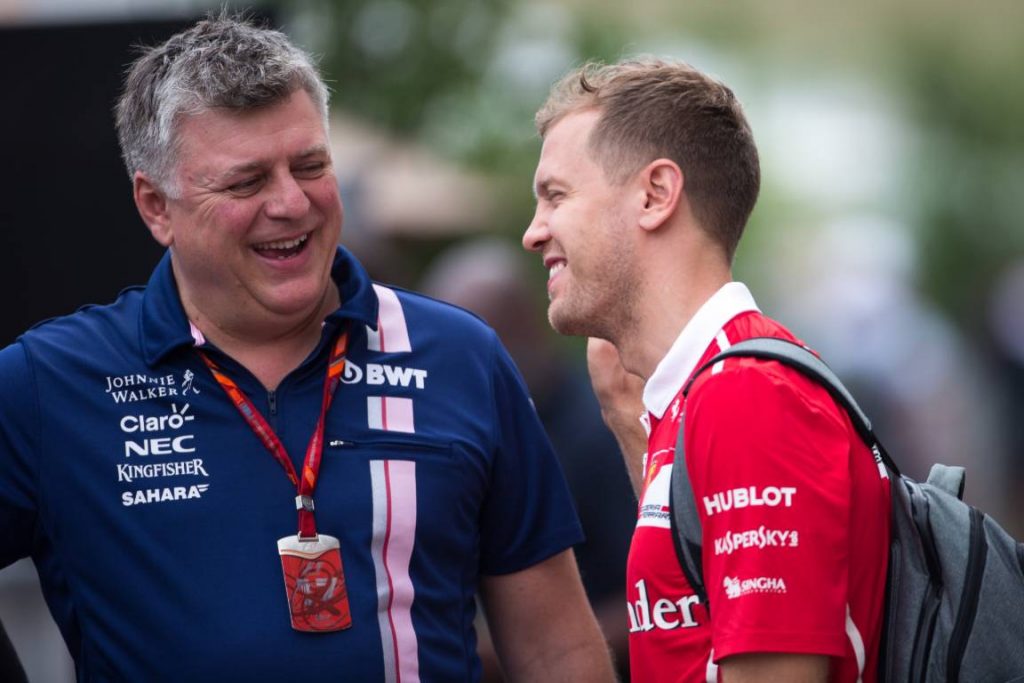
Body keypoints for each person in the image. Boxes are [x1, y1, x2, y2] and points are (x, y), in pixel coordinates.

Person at [0, 14, 614, 682]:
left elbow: (557, 650)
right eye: (246, 182)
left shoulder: (459, 358)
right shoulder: (48, 383)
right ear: (156, 207)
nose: (291, 203)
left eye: (311, 165)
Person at [522, 58, 891, 682]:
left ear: (655, 195)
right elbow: (694, 624)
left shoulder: (747, 394)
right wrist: (627, 423)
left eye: (556, 196)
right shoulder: (700, 394)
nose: (534, 232)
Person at [421, 238, 636, 679]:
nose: (452, 370)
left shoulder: (601, 426)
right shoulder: (460, 429)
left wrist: (518, 648)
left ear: (524, 325)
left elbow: (657, 598)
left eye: (471, 344)